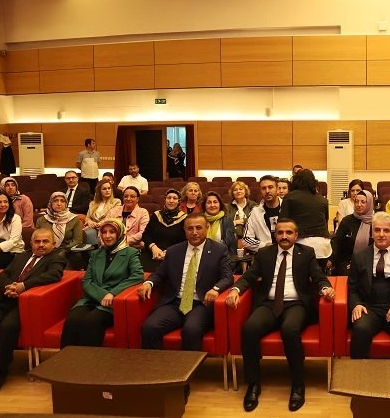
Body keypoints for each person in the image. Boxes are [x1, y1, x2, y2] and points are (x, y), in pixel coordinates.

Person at [225, 218, 335, 413]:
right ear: (275, 235)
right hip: (268, 303)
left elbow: (319, 277)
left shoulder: (306, 253)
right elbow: (249, 277)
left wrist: (325, 288)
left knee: (289, 330)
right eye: (280, 232)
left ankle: (298, 385)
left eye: (289, 232)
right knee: (250, 329)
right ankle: (253, 384)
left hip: (296, 304)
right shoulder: (264, 254)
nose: (284, 236)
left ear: (296, 235)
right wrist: (235, 289)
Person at [0, 228, 66, 401]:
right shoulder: (22, 256)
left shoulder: (56, 258)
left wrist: (23, 287)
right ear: (31, 243)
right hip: (4, 299)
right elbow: (4, 274)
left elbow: (53, 275)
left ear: (53, 244)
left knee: (7, 329)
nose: (41, 245)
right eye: (37, 241)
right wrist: (8, 287)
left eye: (45, 241)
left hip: (25, 304)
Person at [138, 213, 233, 350]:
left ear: (207, 228)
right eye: (190, 228)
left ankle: (189, 364)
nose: (194, 232)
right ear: (184, 230)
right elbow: (159, 274)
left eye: (198, 228)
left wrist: (216, 289)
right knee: (149, 327)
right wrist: (149, 283)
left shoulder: (218, 250)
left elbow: (228, 277)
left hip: (201, 304)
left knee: (191, 330)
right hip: (175, 302)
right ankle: (156, 363)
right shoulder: (174, 251)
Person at [60, 219, 143, 347]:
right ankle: (66, 358)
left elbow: (137, 276)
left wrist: (112, 293)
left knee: (91, 321)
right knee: (72, 319)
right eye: (104, 232)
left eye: (112, 232)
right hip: (91, 298)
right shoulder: (96, 254)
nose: (107, 236)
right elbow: (87, 281)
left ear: (119, 234)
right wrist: (102, 295)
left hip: (111, 303)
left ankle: (89, 359)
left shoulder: (130, 253)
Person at [348, 212, 390, 359]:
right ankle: (356, 371)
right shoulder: (359, 256)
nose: (381, 234)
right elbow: (352, 288)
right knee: (360, 329)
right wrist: (356, 304)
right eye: (377, 230)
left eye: (386, 230)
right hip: (368, 308)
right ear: (372, 233)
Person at [280, 169, 331, 266]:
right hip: (322, 246)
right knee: (319, 274)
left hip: (300, 244)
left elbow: (282, 223)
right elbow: (326, 221)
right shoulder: (323, 200)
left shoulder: (290, 197)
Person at [141, 189, 187, 272]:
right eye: (169, 198)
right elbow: (146, 234)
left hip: (174, 254)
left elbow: (184, 240)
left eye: (174, 198)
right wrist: (153, 247)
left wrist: (169, 252)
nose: (171, 201)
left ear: (179, 201)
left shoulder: (184, 218)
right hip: (152, 253)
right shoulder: (156, 215)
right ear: (165, 200)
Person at [329, 190, 374, 275]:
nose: (359, 205)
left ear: (369, 204)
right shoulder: (347, 221)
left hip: (369, 261)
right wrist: (331, 259)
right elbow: (337, 242)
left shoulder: (375, 223)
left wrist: (360, 263)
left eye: (363, 202)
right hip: (346, 261)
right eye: (356, 201)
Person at [35, 192, 83, 265]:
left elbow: (78, 240)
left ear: (66, 204)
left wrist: (64, 250)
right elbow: (37, 239)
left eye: (62, 201)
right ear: (51, 203)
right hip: (46, 250)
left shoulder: (73, 219)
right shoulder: (41, 220)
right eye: (56, 201)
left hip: (66, 251)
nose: (59, 204)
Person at [242, 175, 282, 254]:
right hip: (266, 254)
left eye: (270, 187)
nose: (267, 191)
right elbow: (246, 239)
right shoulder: (255, 212)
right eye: (264, 188)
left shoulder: (288, 207)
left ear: (277, 189)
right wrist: (264, 246)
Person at [83, 179, 122, 245]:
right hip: (93, 227)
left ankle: (97, 250)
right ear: (99, 191)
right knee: (86, 233)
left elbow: (114, 217)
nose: (107, 190)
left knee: (89, 233)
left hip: (107, 227)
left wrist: (100, 223)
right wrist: (90, 222)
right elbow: (88, 217)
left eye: (109, 188)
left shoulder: (116, 202)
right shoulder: (92, 203)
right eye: (104, 189)